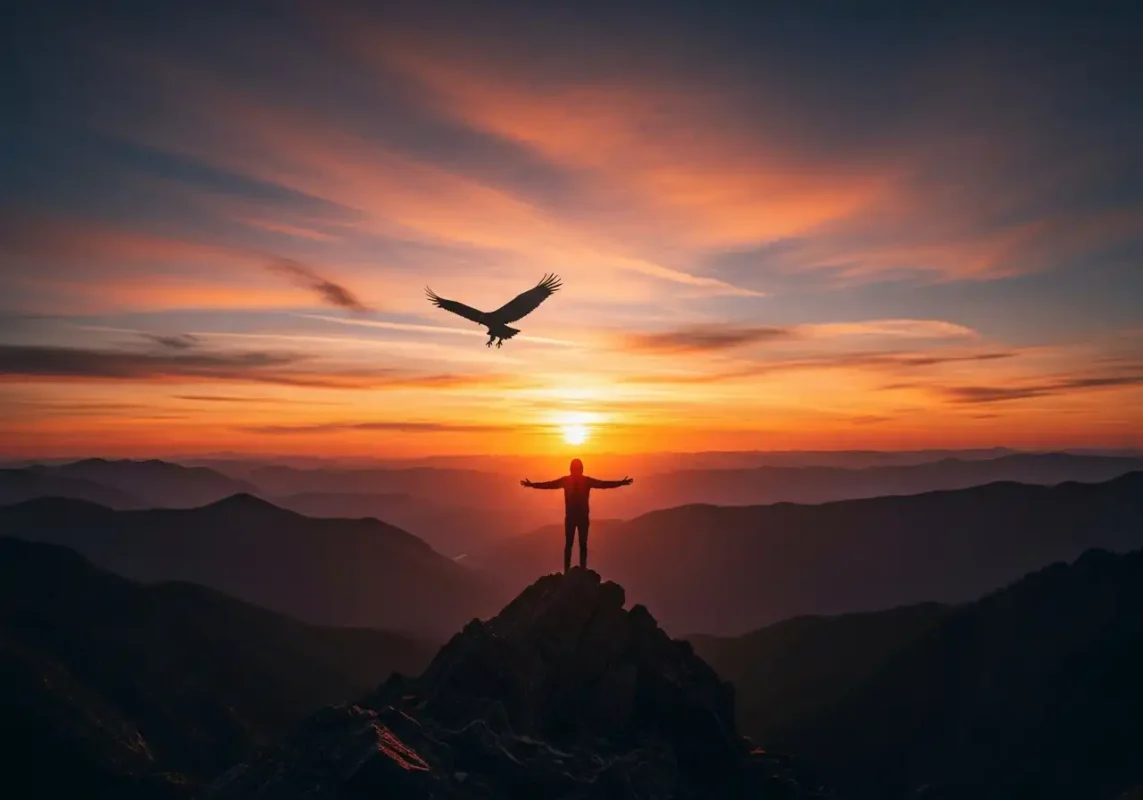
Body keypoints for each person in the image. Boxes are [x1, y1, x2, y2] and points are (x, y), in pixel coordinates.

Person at [520, 458, 633, 573]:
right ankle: (581, 570)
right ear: (581, 469)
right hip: (581, 517)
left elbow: (549, 485)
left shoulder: (567, 481)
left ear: (571, 469)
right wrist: (620, 483)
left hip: (571, 517)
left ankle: (567, 571)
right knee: (581, 544)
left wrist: (532, 485)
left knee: (570, 544)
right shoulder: (585, 481)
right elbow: (603, 484)